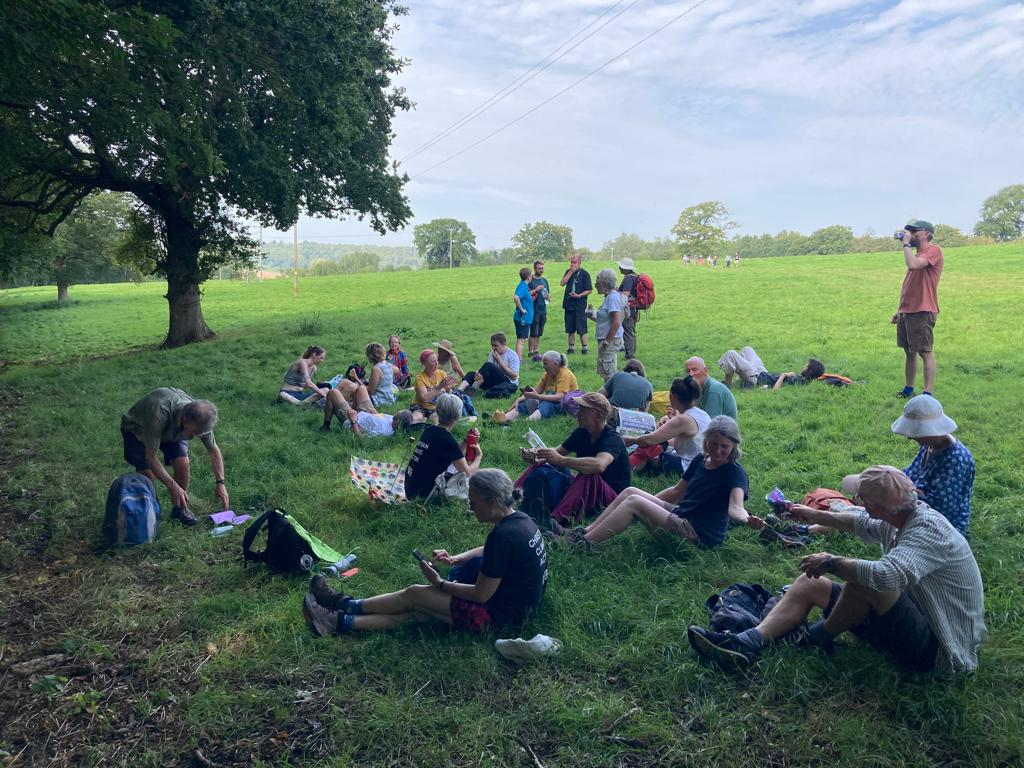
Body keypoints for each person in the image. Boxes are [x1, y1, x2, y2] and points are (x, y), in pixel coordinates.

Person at [688, 465, 986, 676]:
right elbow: (860, 522)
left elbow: (886, 576)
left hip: (940, 648)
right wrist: (812, 515)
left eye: (861, 498)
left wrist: (832, 562)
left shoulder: (927, 531)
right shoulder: (902, 515)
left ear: (878, 506)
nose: (857, 502)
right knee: (808, 583)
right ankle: (746, 643)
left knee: (864, 579)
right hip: (910, 620)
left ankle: (813, 640)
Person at [302, 468, 549, 636]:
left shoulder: (503, 536)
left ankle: (343, 605)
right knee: (420, 612)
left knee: (416, 594)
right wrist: (456, 558)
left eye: (473, 504)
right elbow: (491, 551)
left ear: (493, 501)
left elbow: (480, 595)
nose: (471, 508)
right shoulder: (522, 521)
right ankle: (338, 621)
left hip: (498, 620)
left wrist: (440, 584)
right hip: (519, 613)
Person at [555, 416, 762, 549]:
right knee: (630, 492)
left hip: (698, 536)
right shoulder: (701, 460)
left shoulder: (735, 473)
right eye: (713, 443)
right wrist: (650, 507)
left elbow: (736, 507)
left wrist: (746, 519)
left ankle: (580, 544)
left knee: (634, 502)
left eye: (723, 446)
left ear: (734, 445)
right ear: (705, 440)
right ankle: (582, 532)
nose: (717, 450)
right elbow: (675, 492)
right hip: (683, 516)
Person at [843, 395, 974, 536]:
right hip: (912, 505)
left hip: (940, 526)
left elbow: (941, 507)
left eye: (914, 432)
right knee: (857, 508)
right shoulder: (929, 446)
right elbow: (910, 475)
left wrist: (887, 498)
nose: (909, 437)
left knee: (867, 516)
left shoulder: (955, 460)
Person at [120, 388, 229, 526]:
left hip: (173, 429)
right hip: (138, 429)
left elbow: (213, 449)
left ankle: (180, 510)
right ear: (185, 420)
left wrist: (221, 483)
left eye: (202, 434)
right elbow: (151, 457)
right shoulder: (158, 414)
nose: (198, 436)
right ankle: (151, 513)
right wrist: (173, 486)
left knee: (183, 463)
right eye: (196, 432)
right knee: (148, 474)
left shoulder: (201, 419)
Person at [517, 393, 631, 525]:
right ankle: (512, 495)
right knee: (543, 462)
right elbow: (557, 452)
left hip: (611, 499)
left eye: (583, 410)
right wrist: (538, 454)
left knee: (589, 475)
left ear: (598, 416)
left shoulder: (612, 439)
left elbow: (599, 465)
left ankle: (556, 521)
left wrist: (560, 460)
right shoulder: (581, 432)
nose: (578, 413)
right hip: (585, 487)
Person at [894, 219, 943, 398]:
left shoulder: (934, 251)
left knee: (925, 351)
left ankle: (927, 393)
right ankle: (908, 389)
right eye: (909, 231)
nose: (911, 233)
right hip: (907, 311)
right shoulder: (916, 255)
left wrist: (906, 244)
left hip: (922, 310)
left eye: (915, 231)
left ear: (926, 234)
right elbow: (911, 286)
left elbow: (913, 265)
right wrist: (900, 310)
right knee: (909, 352)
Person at [404, 394, 482, 500]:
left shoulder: (429, 430)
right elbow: (467, 473)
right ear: (458, 416)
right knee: (478, 475)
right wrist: (478, 457)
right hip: (423, 495)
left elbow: (453, 454)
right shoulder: (447, 440)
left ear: (437, 411)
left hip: (410, 488)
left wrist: (465, 440)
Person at [625, 376, 709, 474]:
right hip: (700, 461)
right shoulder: (699, 413)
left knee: (647, 445)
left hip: (689, 465)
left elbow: (650, 440)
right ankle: (628, 463)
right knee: (652, 444)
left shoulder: (683, 419)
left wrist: (631, 440)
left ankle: (626, 466)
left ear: (672, 396)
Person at [492, 351, 577, 424]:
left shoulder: (565, 373)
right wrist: (519, 399)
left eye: (546, 364)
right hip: (552, 401)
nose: (543, 366)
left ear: (556, 364)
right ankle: (503, 419)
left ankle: (523, 423)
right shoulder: (547, 374)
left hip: (564, 406)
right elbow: (536, 392)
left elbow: (559, 397)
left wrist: (537, 396)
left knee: (546, 404)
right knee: (526, 402)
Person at [718, 346, 825, 390]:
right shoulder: (801, 380)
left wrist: (784, 375)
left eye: (806, 366)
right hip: (762, 372)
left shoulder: (798, 381)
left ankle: (728, 383)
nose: (803, 366)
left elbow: (775, 390)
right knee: (747, 349)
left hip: (756, 377)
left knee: (731, 354)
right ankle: (741, 377)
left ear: (809, 371)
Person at [588, 268, 625, 381]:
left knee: (609, 374)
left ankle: (609, 397)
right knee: (606, 372)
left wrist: (606, 341)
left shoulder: (612, 297)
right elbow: (607, 320)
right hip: (608, 339)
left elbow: (617, 322)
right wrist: (591, 315)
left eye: (597, 282)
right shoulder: (610, 297)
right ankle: (608, 396)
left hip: (610, 340)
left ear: (604, 284)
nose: (595, 285)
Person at [458, 332, 520, 397]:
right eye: (492, 345)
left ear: (503, 344)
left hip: (508, 382)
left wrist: (500, 362)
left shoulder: (513, 355)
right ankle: (458, 391)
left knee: (488, 365)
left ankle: (471, 390)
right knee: (471, 374)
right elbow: (487, 371)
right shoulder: (493, 353)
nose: (493, 348)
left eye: (496, 345)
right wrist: (478, 374)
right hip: (494, 382)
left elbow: (514, 376)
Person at [560, 253, 593, 355]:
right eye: (571, 262)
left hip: (580, 305)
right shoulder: (568, 272)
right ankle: (571, 348)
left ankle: (584, 348)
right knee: (570, 328)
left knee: (582, 327)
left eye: (574, 262)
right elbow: (562, 283)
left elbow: (589, 290)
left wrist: (579, 295)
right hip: (569, 304)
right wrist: (570, 272)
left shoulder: (585, 274)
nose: (572, 264)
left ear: (579, 263)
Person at [322, 406, 421, 436]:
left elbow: (361, 439)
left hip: (350, 420)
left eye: (398, 413)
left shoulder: (382, 431)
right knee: (361, 389)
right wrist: (376, 414)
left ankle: (326, 426)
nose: (396, 412)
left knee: (333, 393)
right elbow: (382, 419)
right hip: (367, 413)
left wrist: (353, 421)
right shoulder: (392, 420)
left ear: (398, 422)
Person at [413, 349, 456, 415]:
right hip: (421, 406)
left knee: (437, 417)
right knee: (418, 417)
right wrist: (439, 387)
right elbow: (424, 399)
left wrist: (449, 389)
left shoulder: (441, 373)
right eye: (433, 362)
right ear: (425, 364)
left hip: (437, 407)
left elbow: (448, 395)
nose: (437, 363)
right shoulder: (420, 378)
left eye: (437, 360)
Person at [616, 257, 639, 359]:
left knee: (628, 332)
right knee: (631, 331)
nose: (619, 268)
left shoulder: (628, 278)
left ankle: (629, 355)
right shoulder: (634, 276)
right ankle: (631, 352)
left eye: (620, 266)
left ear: (625, 268)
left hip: (628, 309)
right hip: (633, 308)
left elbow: (626, 294)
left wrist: (616, 292)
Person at [527, 260, 551, 362]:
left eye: (542, 268)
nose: (541, 270)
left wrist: (548, 297)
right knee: (533, 332)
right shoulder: (530, 280)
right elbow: (526, 295)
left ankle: (536, 351)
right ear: (534, 268)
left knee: (539, 332)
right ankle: (530, 351)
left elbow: (547, 294)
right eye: (539, 268)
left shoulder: (545, 281)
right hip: (533, 310)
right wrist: (536, 289)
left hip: (543, 309)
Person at [364, 342, 398, 408]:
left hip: (380, 401)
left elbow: (370, 391)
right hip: (389, 398)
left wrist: (356, 378)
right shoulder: (387, 364)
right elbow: (397, 370)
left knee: (358, 388)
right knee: (349, 384)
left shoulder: (376, 368)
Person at [513, 267, 535, 361]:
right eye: (531, 275)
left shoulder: (524, 286)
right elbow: (516, 297)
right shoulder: (522, 286)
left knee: (521, 339)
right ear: (529, 277)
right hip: (522, 318)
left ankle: (518, 359)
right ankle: (519, 360)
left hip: (525, 318)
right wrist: (521, 309)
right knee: (521, 340)